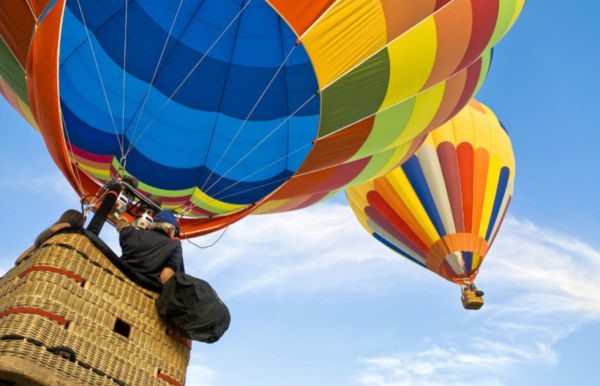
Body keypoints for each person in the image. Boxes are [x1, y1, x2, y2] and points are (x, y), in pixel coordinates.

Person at [117, 210, 184, 284]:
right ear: (171, 230)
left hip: (115, 278)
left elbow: (121, 227)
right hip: (143, 290)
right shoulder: (175, 246)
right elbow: (165, 278)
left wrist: (122, 220)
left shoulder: (132, 233)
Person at [16, 209, 86, 264]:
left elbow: (19, 260)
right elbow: (54, 229)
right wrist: (74, 225)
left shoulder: (45, 237)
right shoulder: (72, 230)